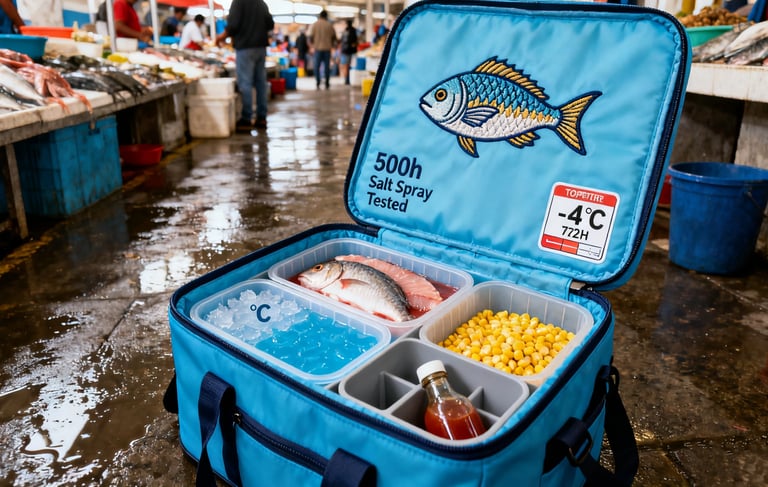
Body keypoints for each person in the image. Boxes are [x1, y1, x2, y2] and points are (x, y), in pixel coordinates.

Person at [216, 0, 274, 131]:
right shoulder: (261, 3)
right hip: (260, 47)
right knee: (260, 83)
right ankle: (261, 117)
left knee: (245, 83)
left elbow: (233, 25)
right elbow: (270, 24)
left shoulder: (238, 2)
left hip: (245, 47)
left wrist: (221, 37)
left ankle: (247, 118)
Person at [309, 10, 336, 90]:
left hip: (317, 49)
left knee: (316, 66)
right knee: (326, 67)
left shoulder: (315, 24)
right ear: (326, 16)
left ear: (320, 16)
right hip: (327, 49)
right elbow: (334, 37)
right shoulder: (329, 25)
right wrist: (330, 43)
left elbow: (311, 37)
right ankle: (327, 83)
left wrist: (313, 44)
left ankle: (318, 82)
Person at [339, 19, 358, 85]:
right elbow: (355, 41)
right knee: (349, 65)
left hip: (345, 51)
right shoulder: (353, 30)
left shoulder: (345, 31)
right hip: (351, 51)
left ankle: (346, 79)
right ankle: (347, 79)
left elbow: (342, 40)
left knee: (345, 65)